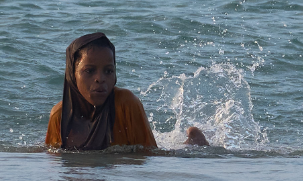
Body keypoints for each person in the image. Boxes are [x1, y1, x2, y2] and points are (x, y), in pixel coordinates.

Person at [46, 32, 208, 152]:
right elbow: (53, 155)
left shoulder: (126, 104)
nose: (100, 79)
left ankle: (193, 143)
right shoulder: (59, 116)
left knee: (180, 154)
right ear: (72, 75)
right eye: (89, 71)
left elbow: (150, 154)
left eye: (108, 71)